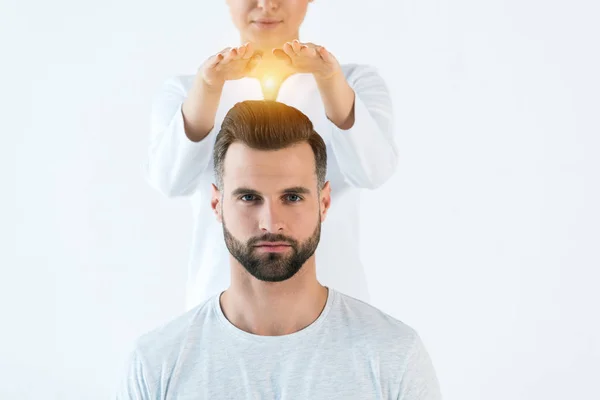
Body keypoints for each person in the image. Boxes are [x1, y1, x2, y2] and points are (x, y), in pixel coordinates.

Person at [120, 101, 440, 399]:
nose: (271, 223)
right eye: (249, 198)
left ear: (324, 202)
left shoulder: (394, 355)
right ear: (216, 204)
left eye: (292, 197)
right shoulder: (157, 363)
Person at [147, 0, 398, 310]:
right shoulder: (188, 90)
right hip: (221, 305)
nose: (266, 4)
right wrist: (209, 87)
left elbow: (372, 171)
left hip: (334, 305)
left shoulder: (354, 82)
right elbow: (169, 180)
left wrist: (329, 79)